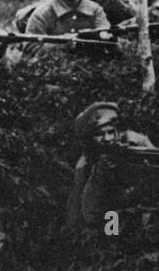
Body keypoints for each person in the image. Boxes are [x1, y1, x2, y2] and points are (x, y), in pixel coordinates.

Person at [64, 101, 154, 238]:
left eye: (111, 132)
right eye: (99, 134)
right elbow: (85, 213)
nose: (107, 138)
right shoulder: (87, 162)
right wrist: (101, 173)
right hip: (108, 218)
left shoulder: (136, 143)